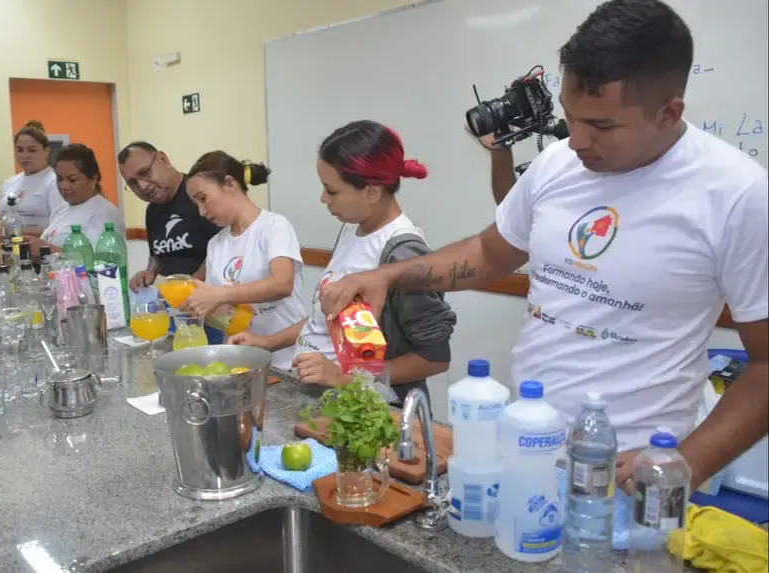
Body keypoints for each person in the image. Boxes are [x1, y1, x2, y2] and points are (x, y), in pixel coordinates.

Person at [319, 0, 768, 493]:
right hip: (526, 445)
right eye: (571, 117)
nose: (577, 141)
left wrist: (685, 462)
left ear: (669, 112)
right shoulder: (558, 164)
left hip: (629, 477)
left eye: (602, 125)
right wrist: (389, 275)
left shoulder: (737, 195)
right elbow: (489, 253)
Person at [230, 120, 456, 404]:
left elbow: (433, 359)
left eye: (332, 191)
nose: (323, 199)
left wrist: (342, 376)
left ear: (371, 192)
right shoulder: (352, 228)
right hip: (322, 397)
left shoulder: (403, 252)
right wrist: (268, 343)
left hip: (368, 409)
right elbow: (329, 318)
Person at [178, 151, 307, 370]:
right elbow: (221, 309)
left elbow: (282, 284)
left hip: (287, 362)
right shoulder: (216, 244)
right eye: (195, 204)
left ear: (229, 183)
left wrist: (219, 294)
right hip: (242, 362)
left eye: (203, 198)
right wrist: (199, 306)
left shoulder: (274, 226)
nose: (201, 211)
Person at [117, 141, 221, 291]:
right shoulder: (152, 211)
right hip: (170, 297)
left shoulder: (199, 196)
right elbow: (157, 256)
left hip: (206, 294)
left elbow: (222, 249)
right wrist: (149, 273)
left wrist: (192, 285)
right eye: (133, 183)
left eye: (145, 173)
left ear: (163, 159)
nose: (142, 186)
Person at [26, 144, 124, 253]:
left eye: (72, 180)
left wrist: (47, 250)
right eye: (59, 179)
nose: (64, 186)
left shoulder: (105, 213)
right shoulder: (61, 209)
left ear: (93, 179)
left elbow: (100, 257)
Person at [0, 120, 62, 241]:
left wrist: (15, 232)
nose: (24, 156)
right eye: (20, 150)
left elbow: (59, 228)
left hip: (40, 249)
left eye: (32, 150)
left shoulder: (55, 181)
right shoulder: (9, 183)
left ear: (46, 151)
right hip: (7, 249)